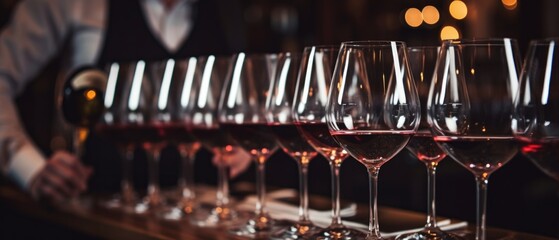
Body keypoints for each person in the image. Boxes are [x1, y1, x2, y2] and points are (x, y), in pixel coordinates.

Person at [0, 0, 250, 202]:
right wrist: (28, 165)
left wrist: (245, 144)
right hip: (97, 215)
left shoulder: (227, 11)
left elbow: (245, 98)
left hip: (204, 215)